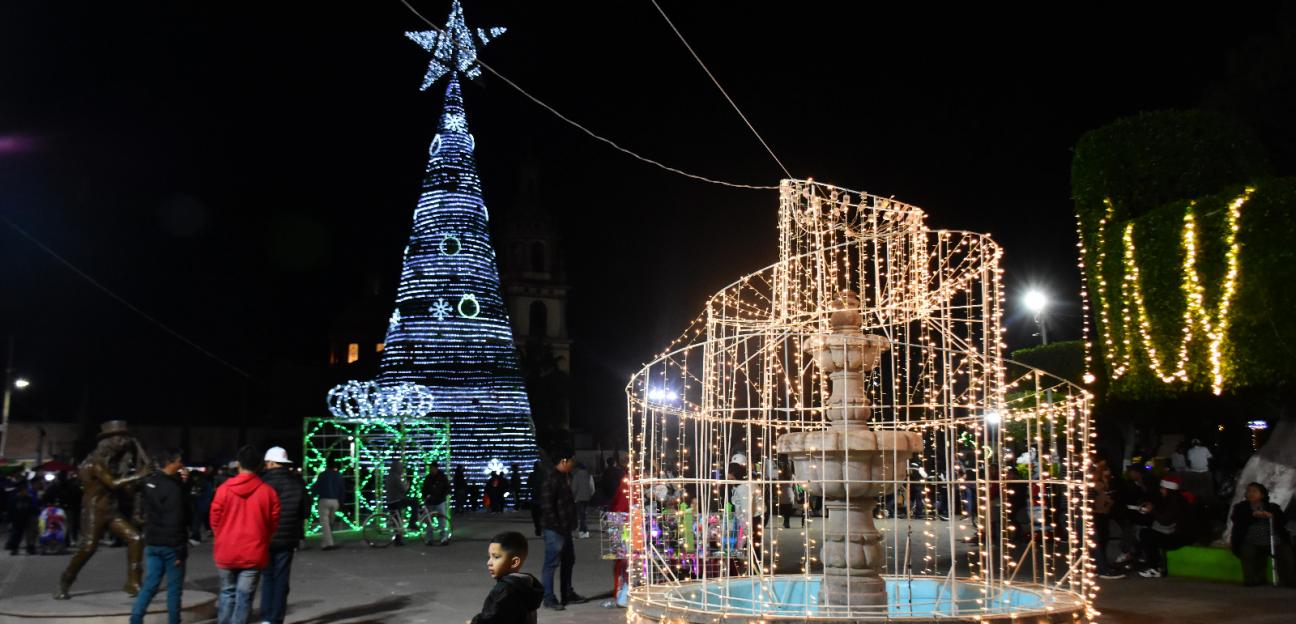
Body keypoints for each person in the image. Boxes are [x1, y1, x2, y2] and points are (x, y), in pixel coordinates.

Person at [57, 421, 153, 599]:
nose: (123, 442)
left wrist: (136, 482)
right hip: (94, 510)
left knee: (135, 538)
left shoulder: (113, 464)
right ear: (107, 442)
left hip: (110, 510)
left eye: (124, 438)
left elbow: (124, 489)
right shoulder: (95, 463)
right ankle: (66, 580)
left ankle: (133, 582)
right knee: (88, 548)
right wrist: (139, 474)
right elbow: (113, 484)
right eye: (119, 438)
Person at [211, 445, 280, 624]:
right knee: (244, 597)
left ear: (239, 464)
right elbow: (273, 524)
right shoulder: (268, 492)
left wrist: (223, 536)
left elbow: (214, 519)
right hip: (254, 551)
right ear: (259, 466)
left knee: (227, 593)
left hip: (226, 550)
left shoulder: (223, 489)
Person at [130, 448, 191, 624]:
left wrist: (182, 482)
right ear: (171, 463)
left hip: (152, 542)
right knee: (173, 590)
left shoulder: (150, 481)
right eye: (179, 461)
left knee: (150, 585)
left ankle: (135, 618)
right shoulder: (173, 489)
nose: (181, 465)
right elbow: (177, 519)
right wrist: (180, 550)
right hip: (171, 545)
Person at [259, 446, 305, 624]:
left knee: (267, 577)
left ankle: (265, 616)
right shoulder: (297, 482)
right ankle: (277, 618)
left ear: (270, 462)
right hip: (288, 537)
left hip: (266, 537)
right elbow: (304, 511)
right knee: (281, 579)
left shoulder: (262, 483)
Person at [539, 449, 585, 610]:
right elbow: (547, 506)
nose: (572, 464)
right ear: (564, 461)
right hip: (555, 530)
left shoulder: (564, 477)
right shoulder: (551, 479)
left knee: (568, 560)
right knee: (551, 564)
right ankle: (549, 598)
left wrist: (571, 523)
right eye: (571, 461)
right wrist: (557, 526)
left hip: (564, 528)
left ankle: (567, 593)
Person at [469, 531, 544, 624]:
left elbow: (490, 619)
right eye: (489, 557)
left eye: (496, 557)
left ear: (514, 562)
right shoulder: (528, 584)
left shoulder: (503, 590)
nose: (489, 563)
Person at [1230, 482, 1295, 587]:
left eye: (1254, 491)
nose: (1250, 493)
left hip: (1273, 539)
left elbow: (1282, 522)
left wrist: (1271, 516)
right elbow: (1237, 520)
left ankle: (1289, 581)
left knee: (1286, 552)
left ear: (1262, 495)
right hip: (1251, 539)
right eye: (1249, 491)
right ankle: (1251, 580)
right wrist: (1252, 515)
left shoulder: (1272, 507)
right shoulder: (1241, 507)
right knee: (1247, 551)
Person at [1135, 476, 1193, 578]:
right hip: (1182, 535)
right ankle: (1151, 562)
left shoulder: (1175, 502)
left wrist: (1152, 511)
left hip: (1181, 537)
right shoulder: (1176, 499)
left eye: (1162, 488)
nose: (1161, 491)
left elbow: (1166, 521)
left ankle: (1155, 567)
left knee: (1146, 535)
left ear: (1167, 489)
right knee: (1147, 532)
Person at [312, 459, 345, 551]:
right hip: (335, 501)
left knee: (325, 522)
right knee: (330, 522)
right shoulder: (339, 475)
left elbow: (316, 487)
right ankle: (326, 542)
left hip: (324, 500)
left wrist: (313, 495)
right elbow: (342, 489)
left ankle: (328, 543)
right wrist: (341, 502)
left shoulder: (322, 475)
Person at [384, 459, 416, 545]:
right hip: (397, 501)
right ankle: (412, 523)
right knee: (414, 502)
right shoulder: (396, 477)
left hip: (390, 502)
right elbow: (403, 489)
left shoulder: (389, 476)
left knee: (397, 522)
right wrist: (408, 483)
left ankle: (398, 540)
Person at [6, 475, 37, 555]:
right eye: (24, 490)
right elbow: (11, 510)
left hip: (27, 519)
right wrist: (10, 521)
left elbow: (31, 509)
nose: (26, 491)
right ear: (20, 491)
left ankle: (30, 548)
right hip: (17, 520)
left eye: (26, 490)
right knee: (17, 535)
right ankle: (14, 549)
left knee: (29, 535)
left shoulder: (29, 498)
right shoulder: (15, 499)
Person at [423, 461, 452, 545]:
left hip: (439, 501)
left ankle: (443, 538)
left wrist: (441, 496)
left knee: (441, 520)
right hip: (431, 502)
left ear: (435, 468)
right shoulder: (428, 477)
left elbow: (447, 488)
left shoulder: (442, 477)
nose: (430, 470)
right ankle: (429, 539)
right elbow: (424, 489)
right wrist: (426, 497)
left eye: (431, 468)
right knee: (430, 521)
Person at [572, 462, 594, 539]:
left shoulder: (576, 475)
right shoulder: (589, 475)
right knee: (584, 515)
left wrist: (573, 496)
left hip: (579, 498)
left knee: (581, 516)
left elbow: (574, 488)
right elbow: (592, 488)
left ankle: (583, 531)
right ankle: (584, 532)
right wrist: (590, 495)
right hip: (587, 498)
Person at [527, 461, 545, 537]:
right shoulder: (544, 475)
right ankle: (541, 527)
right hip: (542, 498)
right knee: (542, 515)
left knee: (535, 515)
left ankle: (538, 528)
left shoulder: (532, 474)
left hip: (535, 497)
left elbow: (528, 485)